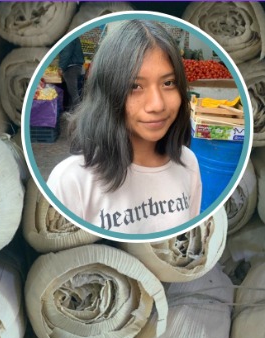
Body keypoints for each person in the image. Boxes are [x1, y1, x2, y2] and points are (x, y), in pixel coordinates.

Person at [47, 20, 202, 235]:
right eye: (135, 86)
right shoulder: (71, 181)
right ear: (107, 93)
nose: (157, 105)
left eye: (168, 83)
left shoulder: (188, 163)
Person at [58, 36, 85, 111]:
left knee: (74, 94)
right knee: (74, 94)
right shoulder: (74, 37)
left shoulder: (68, 37)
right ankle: (71, 113)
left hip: (71, 68)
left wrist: (61, 67)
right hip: (78, 67)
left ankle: (79, 113)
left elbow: (66, 52)